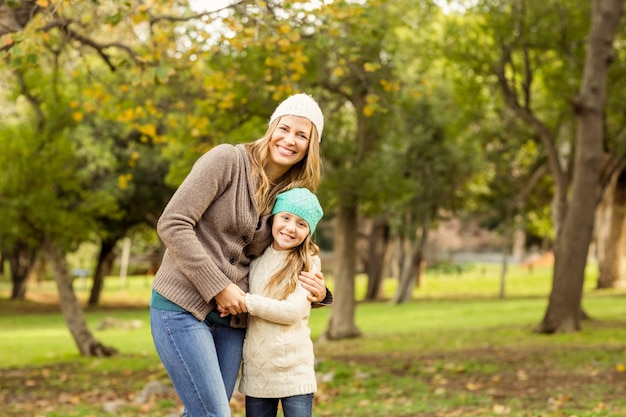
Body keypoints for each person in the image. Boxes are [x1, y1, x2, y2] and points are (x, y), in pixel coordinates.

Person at [149, 93, 332, 417]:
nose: (289, 140)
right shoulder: (226, 161)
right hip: (180, 307)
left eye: (301, 135)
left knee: (200, 412)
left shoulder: (289, 197)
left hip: (232, 321)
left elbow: (286, 256)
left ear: (310, 145)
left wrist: (316, 293)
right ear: (272, 127)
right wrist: (219, 286)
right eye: (285, 128)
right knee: (214, 413)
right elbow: (173, 223)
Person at [238, 187, 324, 417]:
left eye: (301, 224)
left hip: (295, 371)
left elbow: (292, 312)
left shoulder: (309, 263)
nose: (290, 228)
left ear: (309, 231)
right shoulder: (254, 259)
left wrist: (245, 302)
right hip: (258, 371)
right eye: (285, 217)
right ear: (274, 217)